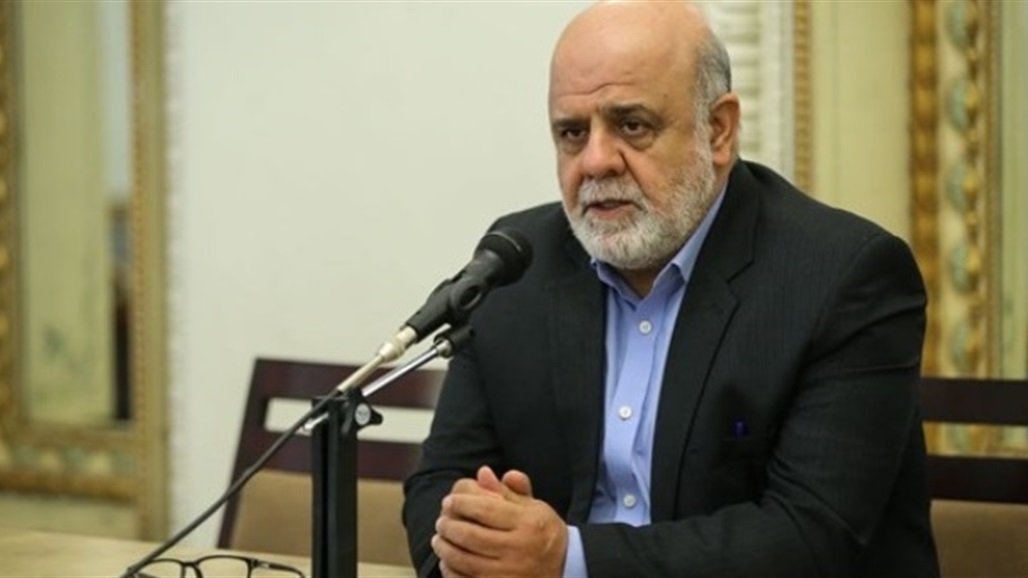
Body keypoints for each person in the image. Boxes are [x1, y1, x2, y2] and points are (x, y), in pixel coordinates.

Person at [402, 1, 939, 577]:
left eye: (632, 125)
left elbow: (810, 536)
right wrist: (472, 550)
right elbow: (441, 482)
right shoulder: (518, 264)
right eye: (573, 133)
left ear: (718, 129)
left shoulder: (843, 277)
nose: (596, 161)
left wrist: (568, 561)